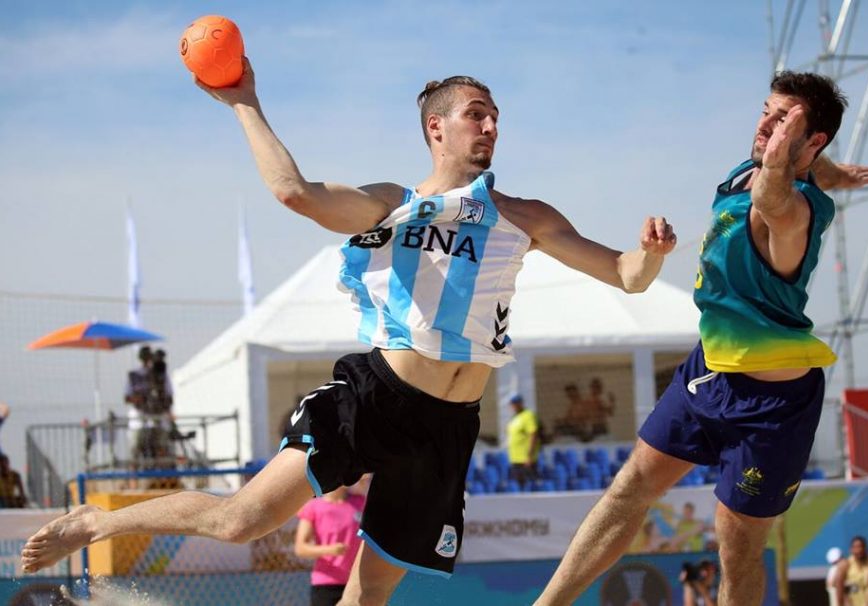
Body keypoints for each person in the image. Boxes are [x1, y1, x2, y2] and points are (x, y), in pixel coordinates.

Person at [21, 63, 679, 604]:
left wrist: (648, 254)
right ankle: (92, 523)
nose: (490, 124)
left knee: (367, 599)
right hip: (377, 396)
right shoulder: (395, 205)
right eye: (476, 113)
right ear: (436, 129)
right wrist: (245, 101)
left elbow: (625, 276)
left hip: (450, 427)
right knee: (240, 520)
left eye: (495, 116)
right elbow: (295, 193)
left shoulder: (526, 216)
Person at [536, 71, 868, 606]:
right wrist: (833, 170)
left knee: (737, 546)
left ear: (811, 141)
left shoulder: (800, 210)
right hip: (708, 370)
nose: (767, 125)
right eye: (767, 111)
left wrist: (796, 170)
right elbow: (798, 163)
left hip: (774, 403)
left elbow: (775, 198)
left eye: (784, 120)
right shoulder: (751, 169)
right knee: (628, 490)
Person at [295, 484, 366, 606]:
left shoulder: (361, 502)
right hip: (326, 583)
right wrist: (329, 550)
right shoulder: (313, 507)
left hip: (357, 583)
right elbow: (300, 548)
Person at [505, 393, 539, 489]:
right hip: (515, 458)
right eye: (512, 404)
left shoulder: (528, 415)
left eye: (515, 403)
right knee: (518, 486)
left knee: (530, 485)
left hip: (525, 459)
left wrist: (529, 456)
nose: (513, 406)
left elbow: (533, 435)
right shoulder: (514, 418)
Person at [836, 536, 868, 606]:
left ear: (865, 548)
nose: (859, 550)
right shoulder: (846, 565)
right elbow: (839, 588)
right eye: (856, 547)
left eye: (861, 547)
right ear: (851, 549)